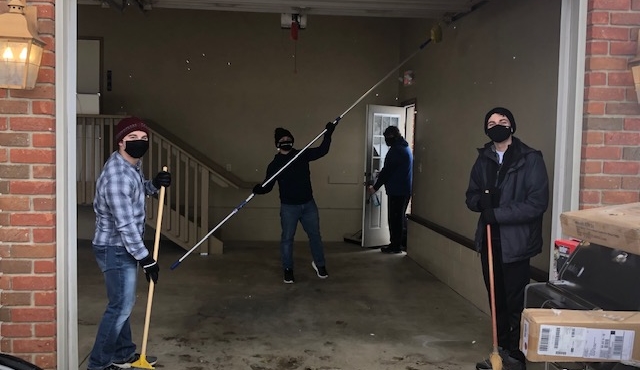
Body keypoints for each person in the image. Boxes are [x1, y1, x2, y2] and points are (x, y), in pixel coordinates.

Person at [465, 107, 549, 370]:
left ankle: (516, 355)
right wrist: (481, 202)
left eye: (502, 121)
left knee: (515, 302)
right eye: (491, 122)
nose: (497, 125)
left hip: (517, 244)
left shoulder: (530, 159)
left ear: (512, 126)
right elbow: (471, 196)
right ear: (486, 129)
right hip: (490, 241)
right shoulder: (483, 159)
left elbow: (537, 204)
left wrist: (497, 213)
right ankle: (499, 351)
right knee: (496, 299)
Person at [88, 116, 171, 370]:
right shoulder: (117, 177)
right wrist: (145, 258)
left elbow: (135, 192)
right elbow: (124, 224)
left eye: (143, 138)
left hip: (122, 245)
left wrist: (153, 185)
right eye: (132, 138)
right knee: (120, 307)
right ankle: (98, 364)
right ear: (121, 142)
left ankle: (123, 354)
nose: (139, 143)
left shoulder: (131, 164)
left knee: (121, 304)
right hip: (115, 247)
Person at [252, 122, 335, 283]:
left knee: (315, 236)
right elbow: (267, 186)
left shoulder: (301, 155)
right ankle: (288, 269)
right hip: (289, 207)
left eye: (288, 138)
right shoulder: (275, 164)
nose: (286, 140)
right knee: (288, 239)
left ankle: (320, 265)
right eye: (282, 139)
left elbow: (322, 150)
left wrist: (329, 133)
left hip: (308, 204)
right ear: (277, 144)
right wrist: (259, 189)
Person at [366, 126, 413, 254]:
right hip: (404, 189)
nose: (386, 141)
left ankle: (395, 246)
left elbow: (387, 172)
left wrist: (374, 188)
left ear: (391, 137)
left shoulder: (396, 151)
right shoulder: (405, 148)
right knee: (400, 218)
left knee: (395, 219)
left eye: (387, 138)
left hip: (397, 191)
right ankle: (400, 243)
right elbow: (393, 169)